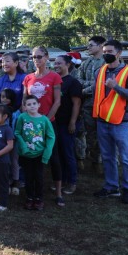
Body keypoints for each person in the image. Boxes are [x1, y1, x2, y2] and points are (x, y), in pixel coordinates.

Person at [92, 40, 128, 204]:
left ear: (119, 53)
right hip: (102, 121)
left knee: (126, 158)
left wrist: (116, 87)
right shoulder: (100, 71)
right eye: (104, 50)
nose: (106, 53)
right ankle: (111, 187)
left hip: (122, 122)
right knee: (107, 156)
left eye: (110, 51)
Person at [23, 46, 63, 203]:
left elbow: (57, 101)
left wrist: (45, 120)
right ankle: (32, 193)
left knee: (53, 158)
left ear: (47, 57)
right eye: (33, 57)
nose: (36, 60)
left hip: (48, 124)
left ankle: (59, 193)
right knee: (31, 157)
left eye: (39, 56)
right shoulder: (28, 78)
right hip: (31, 125)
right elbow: (24, 101)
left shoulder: (54, 77)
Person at [15, 95, 55, 211]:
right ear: (25, 107)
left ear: (39, 105)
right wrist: (23, 147)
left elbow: (51, 137)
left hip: (39, 155)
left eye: (34, 103)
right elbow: (17, 133)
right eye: (28, 104)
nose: (31, 106)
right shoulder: (22, 118)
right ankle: (29, 198)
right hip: (25, 155)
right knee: (28, 177)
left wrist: (47, 154)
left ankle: (39, 198)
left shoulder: (45, 120)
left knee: (38, 177)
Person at [53, 55, 83, 197]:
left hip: (67, 123)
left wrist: (72, 122)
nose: (56, 65)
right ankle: (61, 180)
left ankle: (72, 182)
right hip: (55, 122)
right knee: (58, 153)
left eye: (59, 63)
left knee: (68, 153)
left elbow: (76, 104)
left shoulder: (73, 82)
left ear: (68, 65)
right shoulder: (55, 80)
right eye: (55, 63)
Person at [77, 36, 106, 172]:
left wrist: (86, 89)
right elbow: (78, 80)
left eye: (91, 45)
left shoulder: (107, 62)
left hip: (104, 104)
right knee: (90, 134)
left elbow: (104, 83)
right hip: (88, 104)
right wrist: (92, 86)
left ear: (101, 46)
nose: (88, 47)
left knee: (104, 134)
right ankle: (93, 160)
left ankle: (100, 161)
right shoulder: (86, 62)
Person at [0, 88, 21, 195]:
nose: (4, 99)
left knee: (14, 161)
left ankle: (16, 182)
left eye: (6, 97)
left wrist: (14, 137)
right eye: (2, 96)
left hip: (14, 140)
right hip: (2, 141)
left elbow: (18, 126)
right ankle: (6, 182)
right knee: (4, 162)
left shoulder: (17, 112)